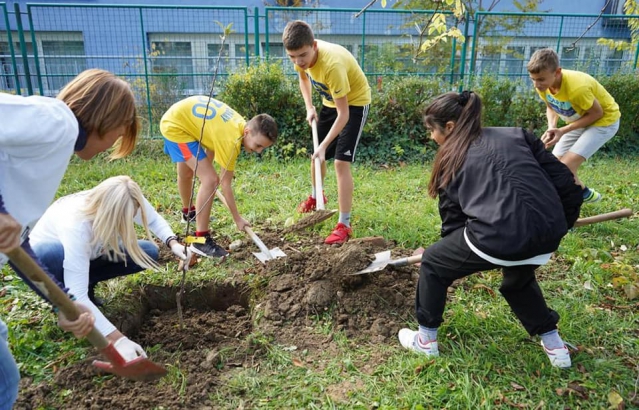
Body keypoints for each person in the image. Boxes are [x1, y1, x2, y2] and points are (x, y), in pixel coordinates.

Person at [398, 91, 583, 368]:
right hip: (548, 233)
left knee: (435, 262)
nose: (431, 138)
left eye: (431, 131)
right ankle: (556, 348)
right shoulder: (518, 134)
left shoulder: (451, 155)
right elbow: (565, 182)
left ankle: (425, 341)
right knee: (517, 281)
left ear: (449, 128)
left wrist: (449, 254)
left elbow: (453, 220)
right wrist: (560, 224)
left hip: (500, 237)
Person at [0, 68, 138, 408]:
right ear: (108, 119)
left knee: (5, 381)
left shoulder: (54, 146)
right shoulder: (56, 123)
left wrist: (62, 300)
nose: (116, 143)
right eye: (121, 133)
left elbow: (20, 247)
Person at [30, 175, 190, 363]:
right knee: (50, 256)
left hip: (85, 256)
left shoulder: (126, 196)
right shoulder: (76, 224)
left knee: (148, 251)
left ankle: (87, 281)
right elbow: (77, 294)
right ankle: (63, 303)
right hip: (45, 265)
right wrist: (118, 340)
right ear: (109, 214)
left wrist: (173, 243)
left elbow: (153, 219)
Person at [282, 20, 371, 245]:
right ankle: (317, 196)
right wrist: (309, 106)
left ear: (314, 45)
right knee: (316, 157)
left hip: (354, 105)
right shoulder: (299, 57)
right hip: (330, 103)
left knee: (340, 163)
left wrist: (324, 146)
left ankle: (344, 224)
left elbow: (344, 115)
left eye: (302, 55)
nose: (298, 61)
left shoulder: (332, 65)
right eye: (292, 57)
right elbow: (304, 79)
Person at [160, 96, 278, 259]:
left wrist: (202, 168)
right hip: (176, 127)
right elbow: (225, 184)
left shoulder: (238, 125)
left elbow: (212, 140)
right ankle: (200, 240)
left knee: (189, 173)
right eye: (258, 145)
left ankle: (189, 215)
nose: (258, 151)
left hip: (181, 118)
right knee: (210, 180)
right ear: (247, 132)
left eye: (263, 148)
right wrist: (237, 219)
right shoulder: (231, 140)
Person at [527, 48, 620, 204]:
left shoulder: (577, 88)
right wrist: (552, 127)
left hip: (604, 121)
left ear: (557, 72)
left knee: (565, 167)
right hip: (579, 121)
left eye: (541, 79)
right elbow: (551, 106)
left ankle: (569, 208)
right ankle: (584, 193)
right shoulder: (543, 86)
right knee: (554, 166)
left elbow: (597, 113)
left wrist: (563, 130)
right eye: (533, 79)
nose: (536, 84)